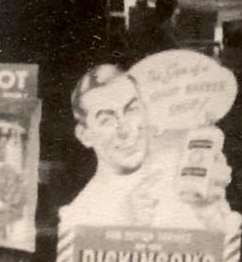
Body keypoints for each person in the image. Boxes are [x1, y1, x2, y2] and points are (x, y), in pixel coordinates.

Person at [60, 63, 200, 229]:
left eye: (131, 110)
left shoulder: (180, 178)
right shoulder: (79, 214)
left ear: (146, 111)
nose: (125, 130)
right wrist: (125, 221)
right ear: (85, 135)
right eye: (107, 120)